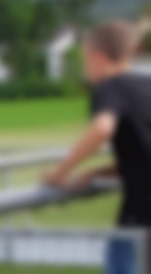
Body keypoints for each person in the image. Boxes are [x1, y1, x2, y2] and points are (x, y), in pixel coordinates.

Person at [43, 20, 150, 274]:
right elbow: (142, 146)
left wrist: (61, 172)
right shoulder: (145, 86)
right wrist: (106, 172)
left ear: (99, 57)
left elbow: (102, 129)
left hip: (141, 215)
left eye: (85, 59)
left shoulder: (110, 87)